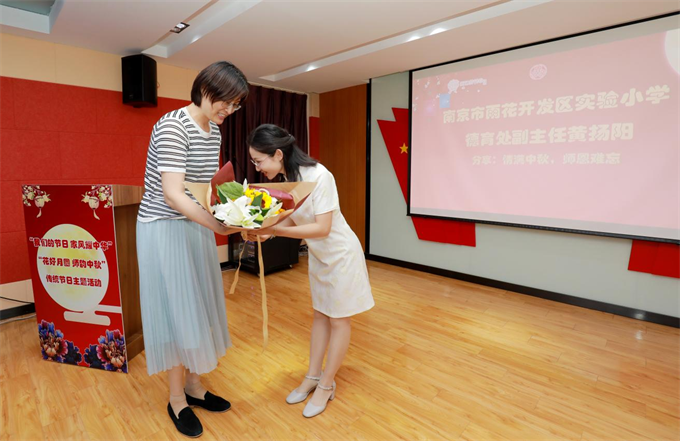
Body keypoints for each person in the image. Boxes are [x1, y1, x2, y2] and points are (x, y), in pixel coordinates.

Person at [136, 61, 247, 437]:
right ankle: (176, 398)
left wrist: (236, 215)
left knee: (198, 304)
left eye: (234, 106)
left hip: (195, 224)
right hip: (164, 228)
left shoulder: (213, 131)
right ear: (205, 88)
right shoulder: (172, 125)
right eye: (226, 102)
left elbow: (202, 189)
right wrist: (217, 225)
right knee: (175, 310)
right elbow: (171, 194)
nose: (228, 111)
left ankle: (195, 387)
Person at [247, 124, 375, 418]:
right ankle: (312, 376)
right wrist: (265, 232)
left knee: (339, 320)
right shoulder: (289, 179)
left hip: (341, 255)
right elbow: (296, 220)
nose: (257, 167)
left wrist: (275, 228)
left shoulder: (320, 175)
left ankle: (327, 385)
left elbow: (322, 227)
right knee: (320, 315)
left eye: (258, 160)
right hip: (320, 257)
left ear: (278, 154)